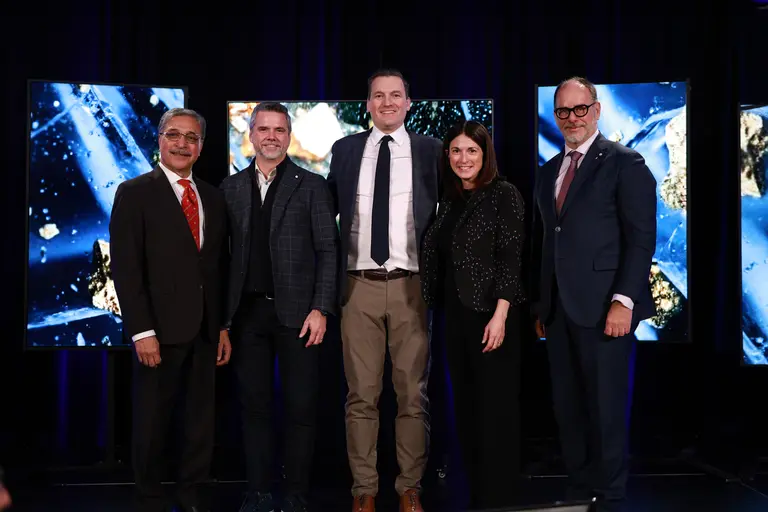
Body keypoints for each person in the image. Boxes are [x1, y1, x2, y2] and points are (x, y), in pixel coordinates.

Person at [530, 77, 657, 512]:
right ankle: (581, 487)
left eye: (580, 109)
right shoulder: (548, 171)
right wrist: (542, 304)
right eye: (563, 111)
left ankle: (611, 493)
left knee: (606, 406)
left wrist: (624, 301)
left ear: (597, 110)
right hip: (558, 310)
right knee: (568, 407)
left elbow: (640, 239)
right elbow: (547, 241)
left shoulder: (625, 163)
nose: (572, 118)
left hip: (606, 308)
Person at [327, 69, 441, 512]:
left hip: (413, 287)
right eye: (379, 95)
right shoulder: (345, 149)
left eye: (396, 95)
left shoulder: (431, 150)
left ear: (409, 103)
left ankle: (410, 487)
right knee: (361, 396)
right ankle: (365, 490)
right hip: (359, 287)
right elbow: (327, 214)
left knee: (413, 395)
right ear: (368, 104)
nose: (388, 102)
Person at [110, 107, 231, 512]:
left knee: (200, 420)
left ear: (201, 147)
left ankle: (191, 492)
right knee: (152, 419)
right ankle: (149, 496)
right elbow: (126, 268)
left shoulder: (213, 196)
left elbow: (216, 267)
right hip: (158, 331)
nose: (182, 144)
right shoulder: (134, 193)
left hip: (205, 329)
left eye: (191, 138)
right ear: (159, 139)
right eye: (174, 135)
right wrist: (141, 331)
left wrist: (222, 326)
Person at [220, 102, 338, 512]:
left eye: (279, 130)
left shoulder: (312, 185)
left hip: (299, 316)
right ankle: (258, 492)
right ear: (250, 134)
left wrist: (321, 307)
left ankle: (296, 494)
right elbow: (222, 260)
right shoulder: (230, 188)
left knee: (301, 407)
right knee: (254, 408)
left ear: (289, 136)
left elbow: (328, 250)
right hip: (247, 316)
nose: (271, 136)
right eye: (264, 129)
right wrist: (223, 322)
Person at [420, 120, 526, 510]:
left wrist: (501, 315)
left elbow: (511, 259)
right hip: (455, 318)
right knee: (466, 410)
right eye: (456, 151)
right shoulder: (449, 198)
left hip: (492, 318)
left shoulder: (504, 194)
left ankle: (500, 499)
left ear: (485, 154)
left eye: (471, 151)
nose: (463, 159)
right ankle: (478, 496)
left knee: (494, 413)